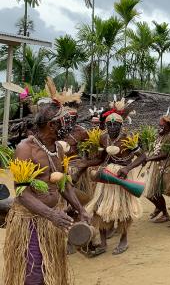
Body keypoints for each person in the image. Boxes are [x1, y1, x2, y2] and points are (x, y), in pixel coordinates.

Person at [4, 100, 89, 285]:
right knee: (33, 272)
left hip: (51, 223)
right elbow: (22, 193)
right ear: (51, 125)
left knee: (49, 271)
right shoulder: (25, 149)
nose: (70, 128)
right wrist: (51, 214)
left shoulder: (58, 148)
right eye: (65, 123)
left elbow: (64, 184)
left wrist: (79, 208)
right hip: (31, 221)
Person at [81, 97, 143, 256]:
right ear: (106, 125)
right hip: (107, 176)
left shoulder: (128, 137)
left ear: (122, 125)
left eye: (116, 124)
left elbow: (143, 157)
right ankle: (103, 243)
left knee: (122, 209)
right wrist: (85, 163)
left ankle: (124, 240)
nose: (113, 127)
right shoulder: (103, 138)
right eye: (109, 124)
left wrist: (128, 168)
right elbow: (101, 159)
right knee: (100, 208)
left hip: (123, 175)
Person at [130, 111, 170, 224]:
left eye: (162, 125)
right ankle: (164, 213)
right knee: (152, 193)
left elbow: (165, 154)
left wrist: (148, 159)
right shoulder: (159, 136)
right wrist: (147, 157)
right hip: (155, 168)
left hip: (166, 168)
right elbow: (155, 151)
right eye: (159, 125)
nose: (160, 127)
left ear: (168, 126)